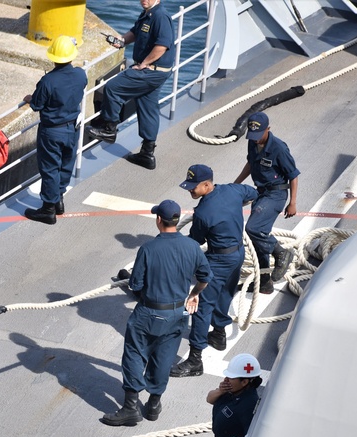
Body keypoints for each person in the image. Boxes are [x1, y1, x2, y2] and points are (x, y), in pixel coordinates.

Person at [101, 200, 211, 426]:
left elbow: (136, 284)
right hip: (177, 313)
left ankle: (131, 407)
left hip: (149, 313)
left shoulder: (148, 249)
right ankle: (153, 404)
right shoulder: (192, 247)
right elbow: (205, 277)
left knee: (134, 353)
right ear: (177, 220)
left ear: (159, 220)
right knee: (164, 357)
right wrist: (194, 294)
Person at [171, 165, 258, 377]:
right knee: (225, 293)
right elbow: (253, 193)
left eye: (193, 187)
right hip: (237, 254)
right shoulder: (233, 190)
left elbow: (197, 241)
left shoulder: (203, 212)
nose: (190, 191)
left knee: (202, 305)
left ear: (207, 185)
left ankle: (194, 360)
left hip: (218, 259)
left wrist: (172, 246)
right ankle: (218, 334)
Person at [86, 0, 175, 170]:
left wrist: (143, 64)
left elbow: (162, 46)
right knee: (148, 107)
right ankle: (147, 154)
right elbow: (136, 32)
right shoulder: (148, 13)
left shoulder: (160, 16)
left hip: (152, 70)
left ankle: (109, 128)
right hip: (156, 71)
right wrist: (122, 41)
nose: (144, 0)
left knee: (113, 88)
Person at [21, 35, 88, 225]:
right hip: (72, 127)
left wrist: (30, 98)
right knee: (66, 163)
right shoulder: (80, 74)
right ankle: (58, 200)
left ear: (53, 57)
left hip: (51, 131)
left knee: (50, 168)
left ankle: (48, 210)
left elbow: (36, 105)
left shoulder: (48, 81)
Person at [233, 112, 298, 294]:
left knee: (253, 229)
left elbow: (293, 175)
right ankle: (264, 283)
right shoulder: (252, 142)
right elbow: (250, 164)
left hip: (276, 194)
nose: (255, 140)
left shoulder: (279, 148)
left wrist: (292, 202)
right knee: (257, 241)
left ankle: (281, 253)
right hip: (260, 194)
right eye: (252, 136)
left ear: (268, 129)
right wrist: (236, 184)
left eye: (258, 135)